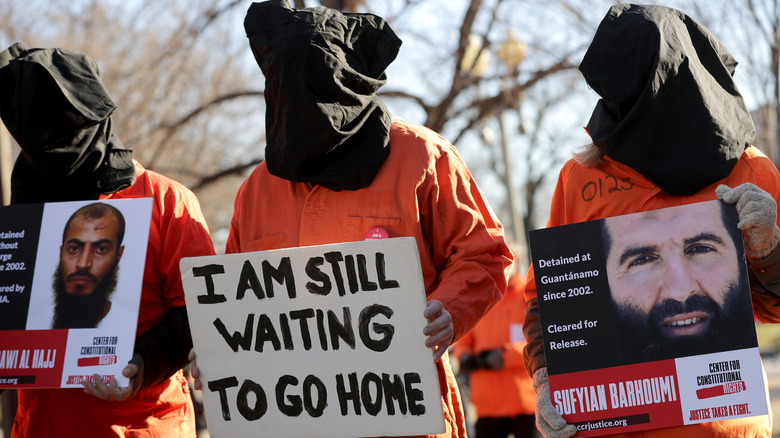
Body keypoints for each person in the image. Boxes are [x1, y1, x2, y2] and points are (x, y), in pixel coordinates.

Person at [189, 1, 514, 438]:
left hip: (407, 422)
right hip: (293, 424)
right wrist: (217, 349)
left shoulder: (422, 156)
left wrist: (449, 311)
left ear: (345, 86)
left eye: (315, 95)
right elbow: (242, 309)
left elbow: (485, 253)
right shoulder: (257, 190)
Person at [522, 4, 780, 438]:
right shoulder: (579, 179)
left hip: (724, 425)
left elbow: (774, 310)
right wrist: (547, 376)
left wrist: (769, 247)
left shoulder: (751, 173)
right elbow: (549, 300)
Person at [0, 42, 216, 437]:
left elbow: (199, 313)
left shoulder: (168, 203)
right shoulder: (20, 217)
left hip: (143, 426)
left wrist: (140, 367)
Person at [601, 200, 756, 364]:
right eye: (642, 260)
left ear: (739, 259)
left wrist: (770, 256)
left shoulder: (751, 177)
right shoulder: (574, 188)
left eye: (701, 249)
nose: (681, 291)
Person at [452, 271, 537, 438]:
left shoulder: (528, 294)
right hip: (487, 405)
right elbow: (462, 342)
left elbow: (541, 344)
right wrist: (465, 356)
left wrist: (505, 357)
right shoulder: (477, 299)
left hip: (526, 402)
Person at [52, 202, 126, 329]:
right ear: (61, 251)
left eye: (101, 249)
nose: (83, 264)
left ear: (118, 255)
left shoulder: (128, 326)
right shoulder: (32, 324)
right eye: (74, 249)